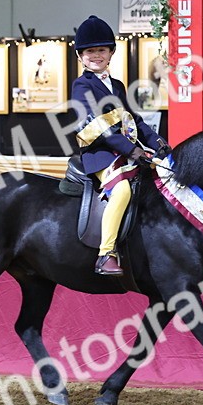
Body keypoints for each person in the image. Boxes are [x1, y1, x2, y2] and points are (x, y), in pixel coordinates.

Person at [70, 15, 169, 276]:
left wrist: (158, 143)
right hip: (99, 153)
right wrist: (132, 150)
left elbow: (133, 119)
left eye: (101, 50)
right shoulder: (81, 85)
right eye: (90, 51)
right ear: (81, 56)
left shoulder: (116, 85)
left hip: (123, 150)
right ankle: (106, 254)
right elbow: (97, 127)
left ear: (111, 52)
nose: (96, 55)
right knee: (123, 190)